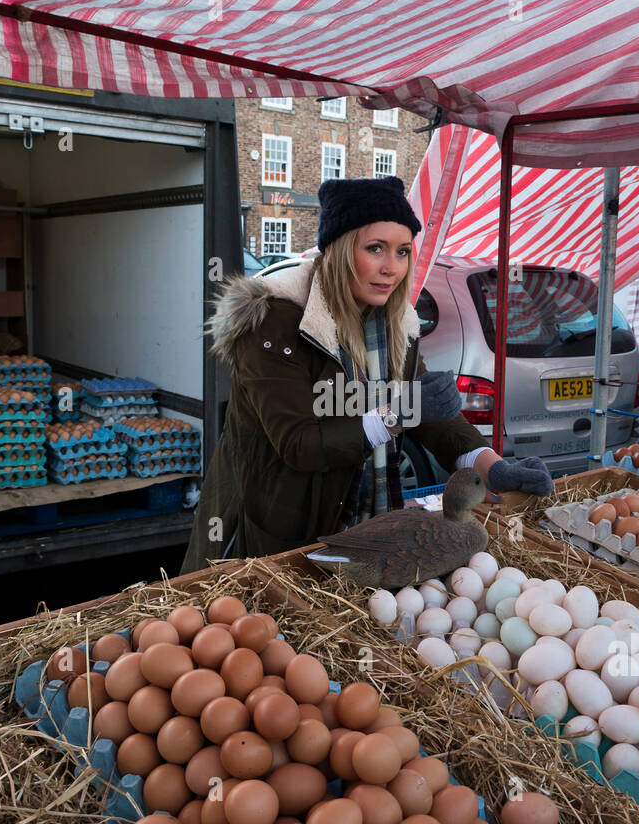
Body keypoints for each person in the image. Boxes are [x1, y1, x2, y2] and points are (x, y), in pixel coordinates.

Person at [181, 175, 552, 571]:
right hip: (270, 536)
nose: (391, 268)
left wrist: (491, 465)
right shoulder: (275, 325)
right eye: (375, 248)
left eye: (403, 251)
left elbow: (433, 419)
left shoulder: (395, 325)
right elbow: (300, 444)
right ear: (340, 250)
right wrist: (399, 411)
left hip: (364, 531)